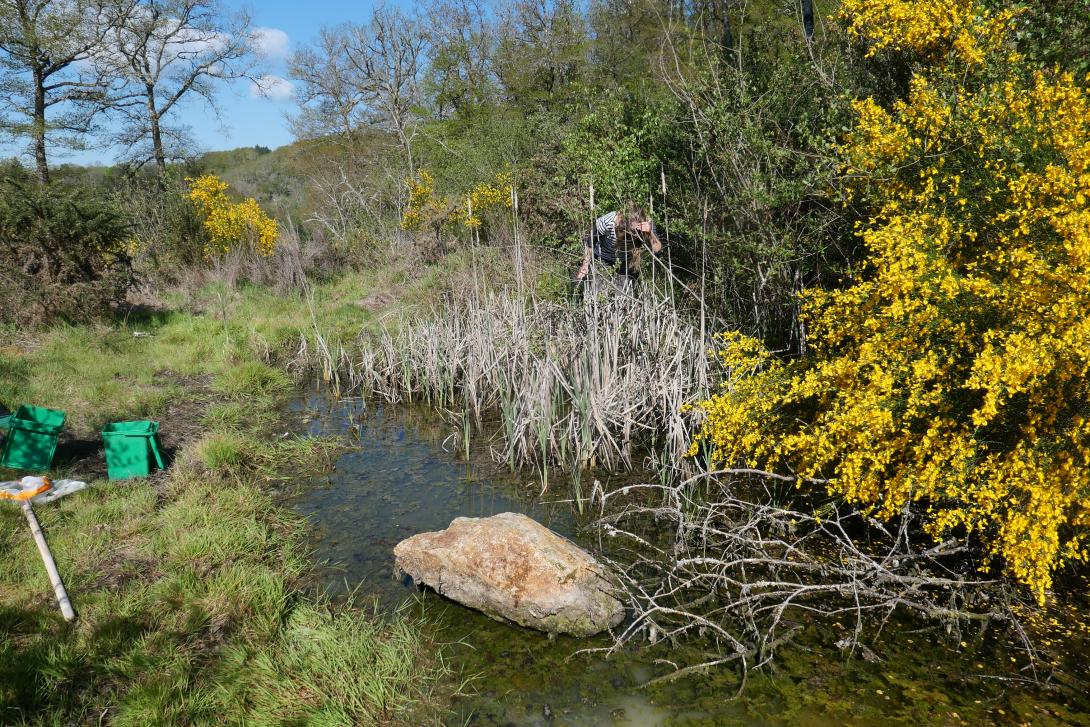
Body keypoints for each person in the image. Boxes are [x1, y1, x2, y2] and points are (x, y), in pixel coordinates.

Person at [573, 206, 663, 289]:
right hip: (602, 258)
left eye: (637, 231)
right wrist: (585, 265)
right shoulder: (608, 221)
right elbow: (591, 241)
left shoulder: (646, 224)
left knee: (624, 293)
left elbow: (657, 249)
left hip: (627, 260)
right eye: (631, 231)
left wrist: (649, 233)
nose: (634, 234)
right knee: (599, 290)